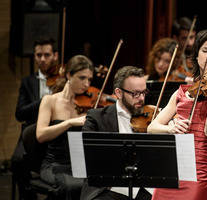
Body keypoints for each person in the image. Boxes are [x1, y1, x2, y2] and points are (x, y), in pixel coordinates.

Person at [147, 29, 207, 200]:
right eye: (205, 51)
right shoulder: (181, 92)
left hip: (199, 174)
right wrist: (170, 129)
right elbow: (152, 127)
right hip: (171, 170)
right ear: (196, 55)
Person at [80, 66, 152, 200]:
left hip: (144, 189)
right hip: (108, 188)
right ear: (118, 93)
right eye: (135, 93)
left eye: (144, 92)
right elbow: (88, 158)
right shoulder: (96, 118)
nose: (141, 98)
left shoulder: (152, 119)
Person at [36, 55, 94, 199]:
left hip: (80, 165)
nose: (87, 84)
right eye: (82, 78)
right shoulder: (50, 101)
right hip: (54, 164)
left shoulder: (88, 104)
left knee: (98, 185)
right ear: (69, 75)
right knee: (73, 186)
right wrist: (68, 123)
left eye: (89, 79)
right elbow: (41, 135)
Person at [12, 36, 58, 199]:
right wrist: (44, 101)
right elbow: (20, 113)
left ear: (55, 56)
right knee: (17, 161)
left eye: (47, 55)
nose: (43, 59)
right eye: (39, 55)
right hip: (31, 131)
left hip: (57, 132)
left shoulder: (63, 80)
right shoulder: (27, 81)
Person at [171, 16, 196, 83]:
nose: (190, 43)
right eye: (184, 38)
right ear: (175, 38)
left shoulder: (199, 54)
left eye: (191, 37)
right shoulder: (171, 56)